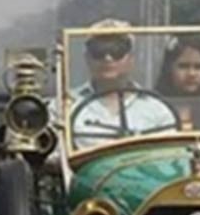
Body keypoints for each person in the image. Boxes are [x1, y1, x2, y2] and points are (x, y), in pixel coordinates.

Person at [65, 19, 177, 148]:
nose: (108, 58)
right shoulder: (65, 106)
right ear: (87, 58)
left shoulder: (157, 110)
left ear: (131, 59)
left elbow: (167, 155)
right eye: (99, 50)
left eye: (117, 50)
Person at [154, 35, 200, 130]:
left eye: (198, 67)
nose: (191, 74)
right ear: (169, 69)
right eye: (183, 66)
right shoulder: (154, 109)